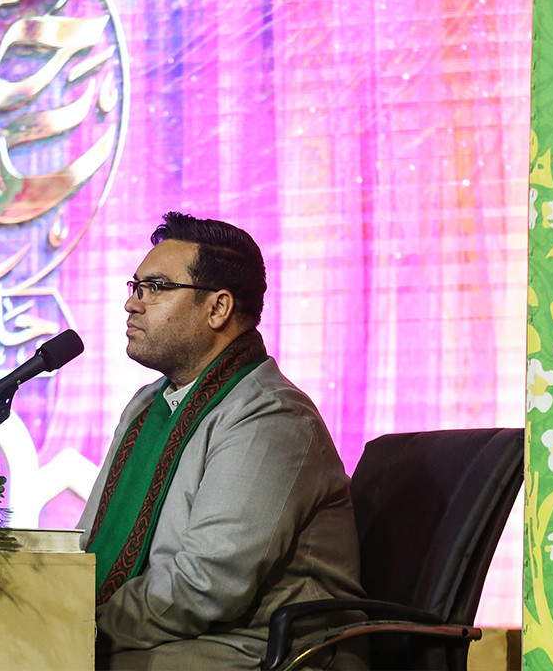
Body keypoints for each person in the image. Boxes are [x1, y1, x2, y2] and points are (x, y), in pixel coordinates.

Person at [77, 212, 364, 670]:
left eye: (155, 287)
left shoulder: (270, 416)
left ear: (218, 308)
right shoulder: (147, 407)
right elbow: (86, 545)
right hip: (166, 637)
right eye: (135, 287)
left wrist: (76, 624)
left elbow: (207, 586)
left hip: (260, 650)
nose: (132, 304)